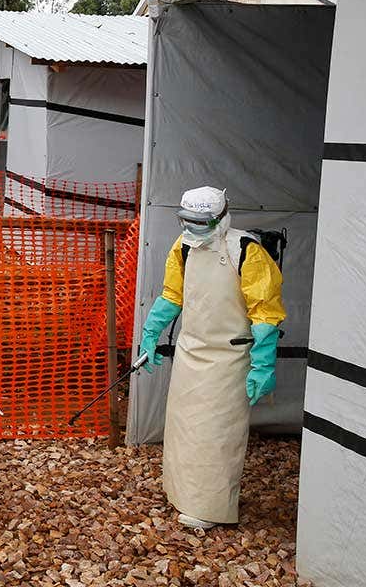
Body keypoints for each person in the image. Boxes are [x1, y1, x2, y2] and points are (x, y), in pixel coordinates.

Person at [138, 186, 286, 530]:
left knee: (218, 435)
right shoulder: (183, 247)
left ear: (220, 217)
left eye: (200, 223)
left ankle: (209, 507)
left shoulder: (246, 251)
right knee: (184, 429)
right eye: (186, 222)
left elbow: (265, 313)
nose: (192, 229)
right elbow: (173, 293)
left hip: (229, 359)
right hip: (191, 354)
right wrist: (151, 331)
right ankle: (180, 492)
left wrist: (263, 363)